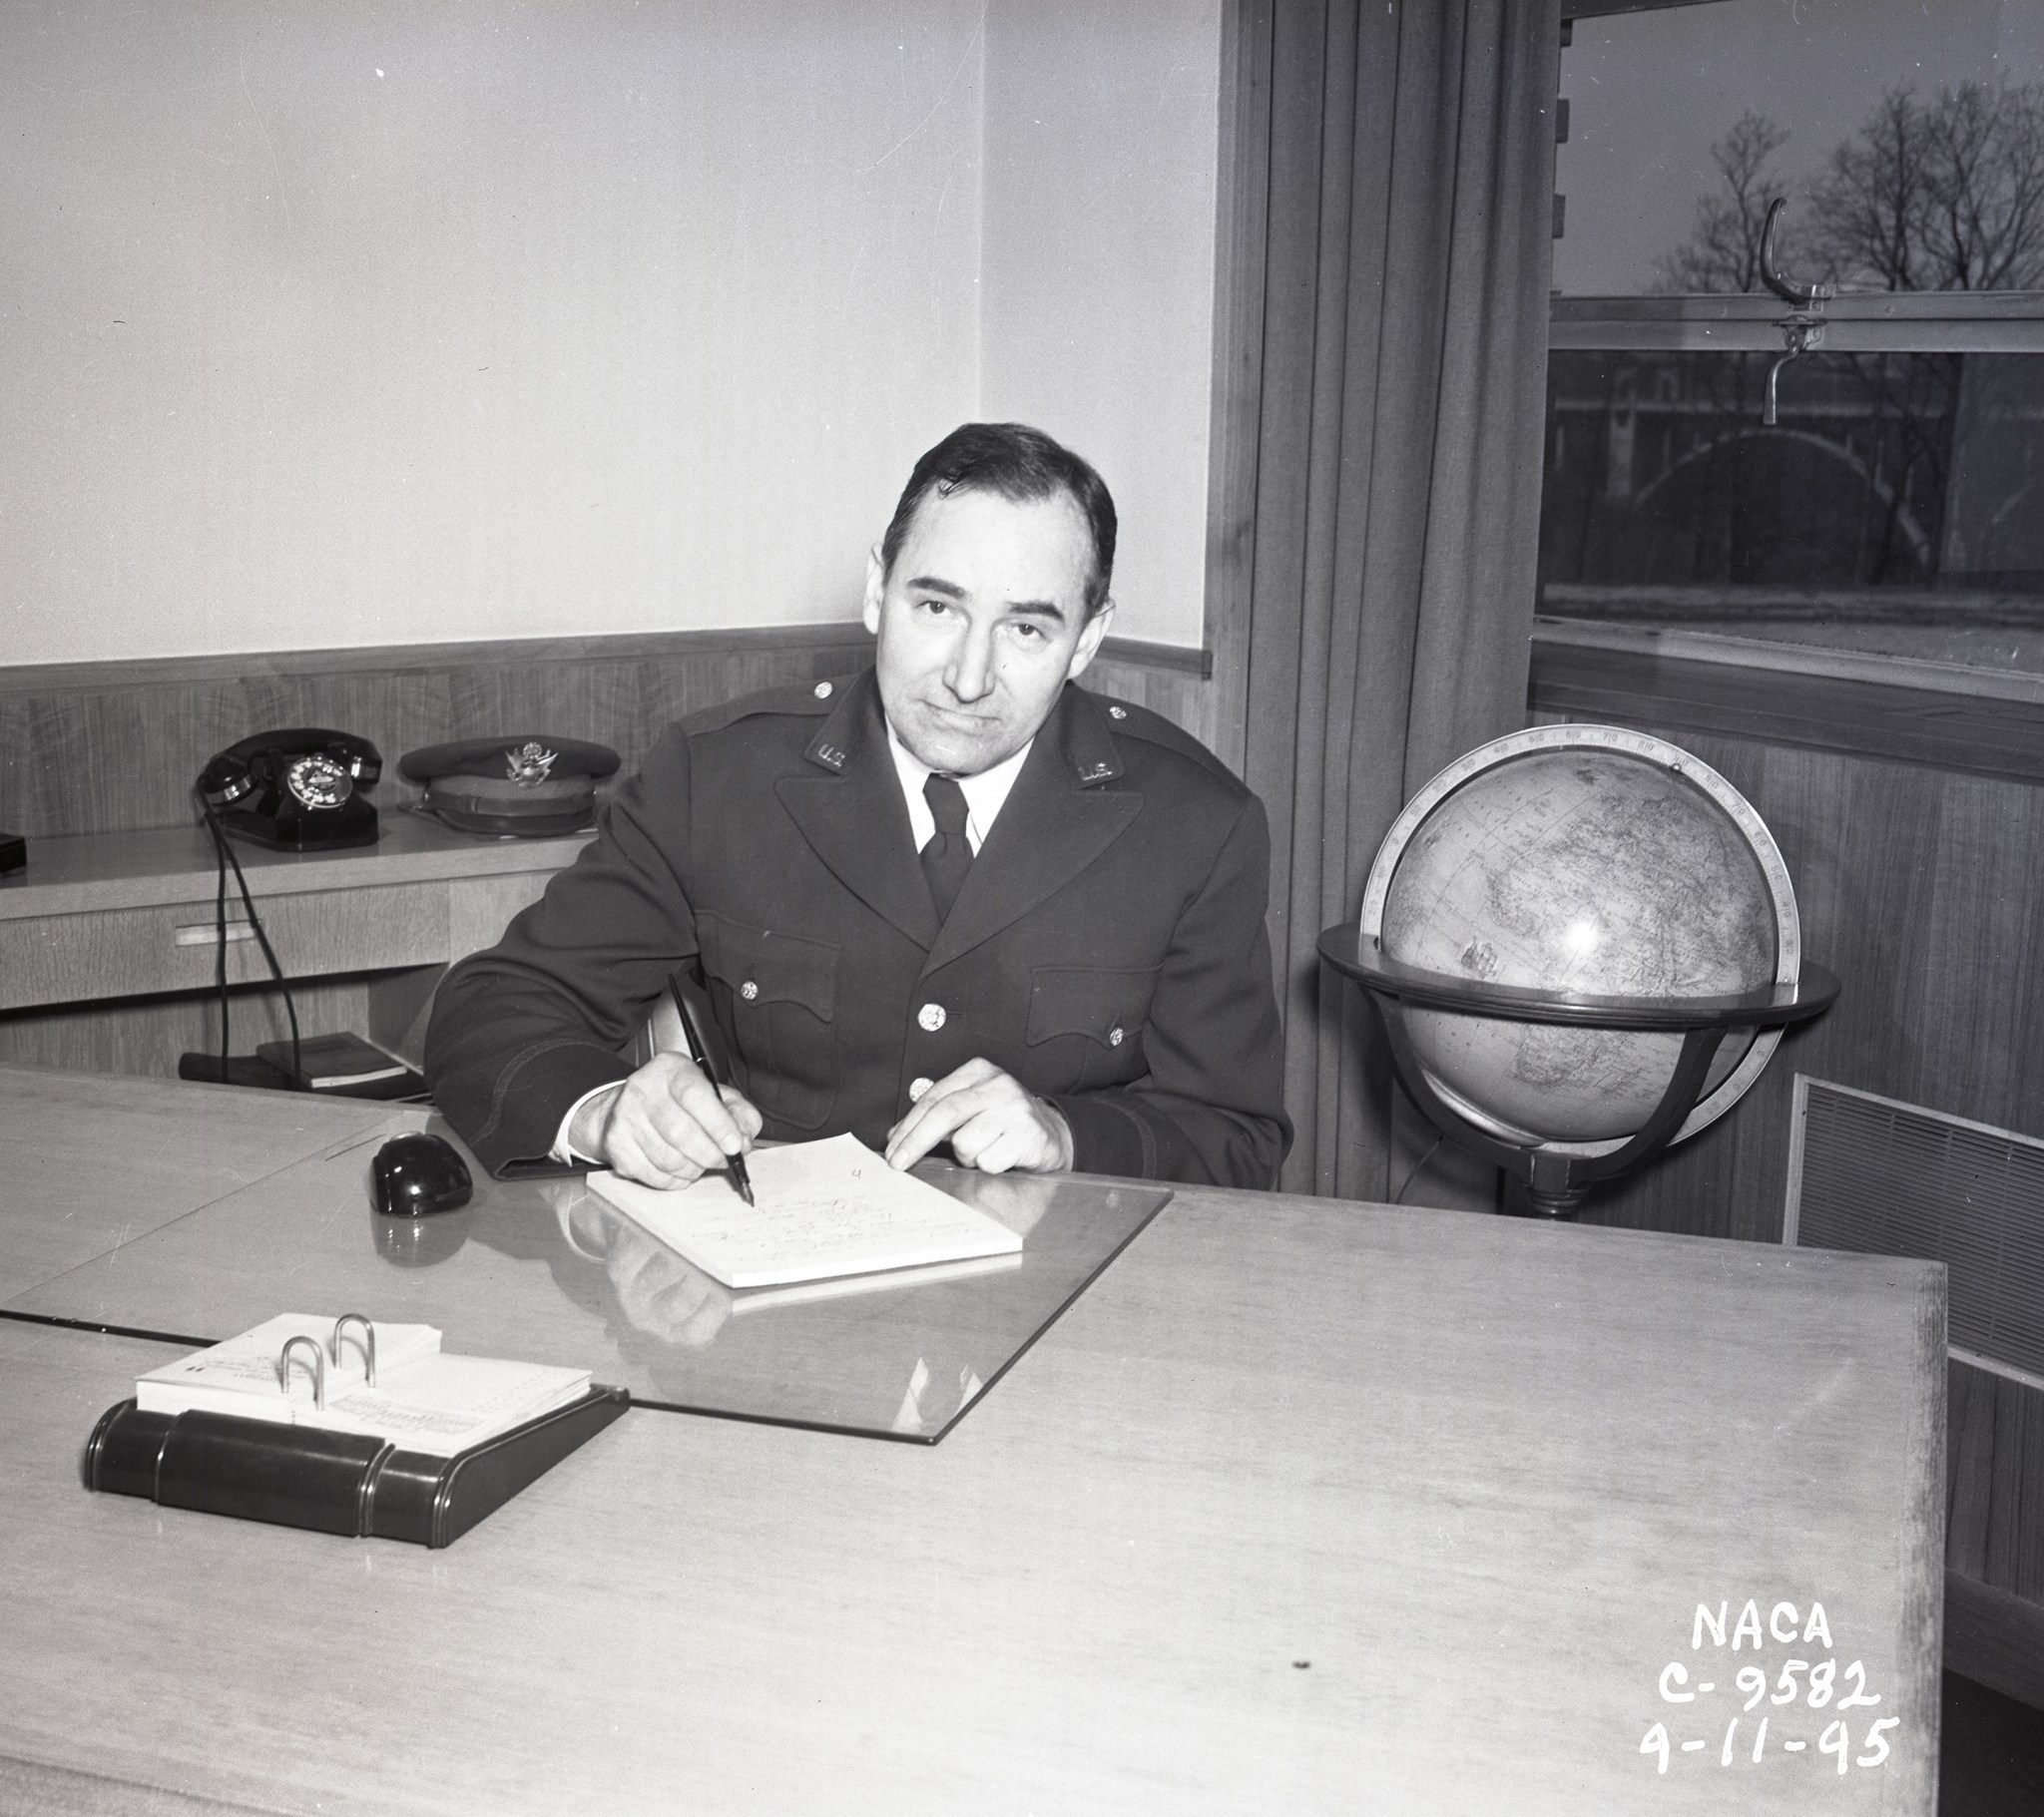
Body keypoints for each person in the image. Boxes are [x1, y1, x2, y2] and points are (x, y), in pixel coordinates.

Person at [424, 422, 1289, 1189]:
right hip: (777, 1311)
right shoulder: (718, 779)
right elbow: (494, 1006)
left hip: (1060, 1308)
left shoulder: (1194, 826)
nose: (968, 677)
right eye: (938, 606)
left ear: (1088, 639)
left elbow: (1238, 1138)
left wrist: (1069, 1134)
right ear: (877, 591)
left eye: (1026, 628)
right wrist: (607, 1110)